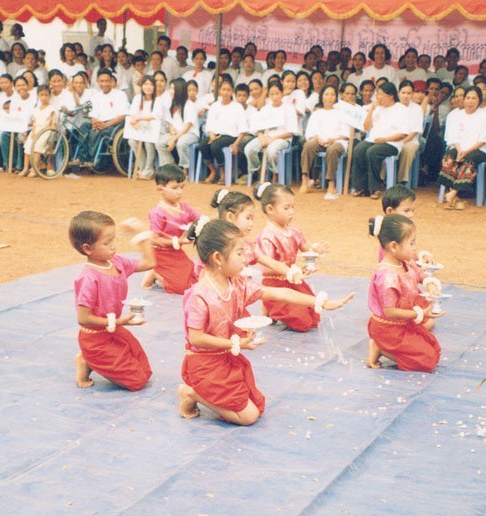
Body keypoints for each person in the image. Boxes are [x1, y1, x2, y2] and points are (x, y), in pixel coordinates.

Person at [177, 219, 352, 425]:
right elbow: (196, 338)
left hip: (225, 358)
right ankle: (192, 394)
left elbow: (278, 293)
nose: (245, 259)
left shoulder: (237, 283)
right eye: (240, 253)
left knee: (257, 406)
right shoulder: (200, 295)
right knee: (249, 417)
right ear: (218, 258)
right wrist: (234, 344)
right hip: (204, 363)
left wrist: (321, 302)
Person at [69, 211, 156, 391]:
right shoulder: (88, 278)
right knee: (136, 382)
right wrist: (117, 321)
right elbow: (83, 318)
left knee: (145, 372)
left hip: (113, 331)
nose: (113, 246)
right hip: (94, 338)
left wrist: (141, 234)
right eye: (107, 243)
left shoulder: (116, 262)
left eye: (113, 240)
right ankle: (87, 359)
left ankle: (91, 362)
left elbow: (149, 263)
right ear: (87, 248)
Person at [366, 214, 441, 372]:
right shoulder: (388, 277)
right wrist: (419, 313)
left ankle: (387, 348)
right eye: (412, 243)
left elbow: (421, 275)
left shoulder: (405, 262)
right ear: (393, 246)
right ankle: (381, 347)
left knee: (433, 349)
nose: (415, 247)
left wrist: (430, 285)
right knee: (427, 361)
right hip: (389, 329)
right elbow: (390, 312)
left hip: (403, 322)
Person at [254, 183, 330, 332]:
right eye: (286, 208)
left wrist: (316, 251)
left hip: (293, 281)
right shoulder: (267, 236)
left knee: (313, 317)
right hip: (275, 284)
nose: (291, 212)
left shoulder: (294, 230)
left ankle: (273, 309)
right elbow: (267, 268)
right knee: (302, 322)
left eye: (292, 207)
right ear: (270, 209)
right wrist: (289, 270)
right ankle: (269, 304)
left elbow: (307, 249)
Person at [143, 164, 201, 294]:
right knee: (181, 288)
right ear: (160, 189)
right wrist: (179, 241)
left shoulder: (185, 207)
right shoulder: (157, 213)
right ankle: (154, 272)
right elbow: (155, 240)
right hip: (160, 254)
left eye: (182, 187)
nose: (179, 191)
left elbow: (200, 220)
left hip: (175, 252)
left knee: (195, 280)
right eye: (174, 188)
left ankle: (161, 273)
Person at [351, 82, 408, 198]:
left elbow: (403, 134)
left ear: (390, 95)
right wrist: (372, 109)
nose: (377, 97)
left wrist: (384, 139)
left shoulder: (401, 109)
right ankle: (361, 187)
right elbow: (366, 128)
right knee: (358, 149)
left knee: (372, 152)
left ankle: (375, 187)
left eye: (380, 95)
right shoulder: (378, 108)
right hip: (374, 140)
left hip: (392, 143)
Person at [438, 86, 486, 209]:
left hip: (478, 149)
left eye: (474, 98)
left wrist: (466, 151)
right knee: (449, 157)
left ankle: (453, 193)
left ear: (479, 100)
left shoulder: (485, 116)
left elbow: (483, 140)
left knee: (470, 159)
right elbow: (453, 136)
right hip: (458, 148)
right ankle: (455, 197)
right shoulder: (455, 115)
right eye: (468, 97)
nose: (470, 101)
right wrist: (459, 149)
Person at [299, 85, 349, 199]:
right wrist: (317, 139)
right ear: (322, 97)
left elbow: (346, 134)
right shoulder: (317, 113)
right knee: (308, 145)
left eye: (332, 94)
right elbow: (310, 132)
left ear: (336, 97)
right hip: (320, 141)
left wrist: (333, 140)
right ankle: (304, 179)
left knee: (332, 150)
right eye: (326, 94)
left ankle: (331, 184)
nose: (329, 97)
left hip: (337, 142)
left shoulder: (341, 113)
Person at [244, 80, 298, 184]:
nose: (274, 97)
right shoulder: (265, 109)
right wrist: (261, 137)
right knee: (249, 149)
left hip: (282, 138)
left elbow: (291, 132)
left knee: (272, 150)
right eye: (272, 94)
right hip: (265, 137)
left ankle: (275, 174)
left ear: (282, 93)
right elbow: (257, 127)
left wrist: (272, 139)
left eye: (277, 93)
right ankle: (260, 173)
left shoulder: (289, 109)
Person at [200, 78, 246, 184]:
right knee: (203, 144)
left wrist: (236, 144)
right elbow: (209, 124)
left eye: (228, 90)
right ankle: (213, 171)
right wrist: (211, 135)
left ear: (232, 92)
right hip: (215, 135)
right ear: (220, 91)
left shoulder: (237, 107)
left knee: (215, 146)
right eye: (223, 89)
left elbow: (243, 129)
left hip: (230, 135)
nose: (226, 92)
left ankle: (224, 172)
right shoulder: (215, 106)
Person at [82, 68, 128, 168]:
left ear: (111, 81)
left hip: (115, 124)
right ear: (98, 82)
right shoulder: (96, 96)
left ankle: (93, 158)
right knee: (83, 127)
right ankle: (83, 157)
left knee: (99, 133)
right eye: (101, 81)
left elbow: (123, 115)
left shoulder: (120, 94)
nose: (104, 84)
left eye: (107, 81)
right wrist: (95, 123)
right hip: (99, 122)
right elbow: (93, 114)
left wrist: (106, 125)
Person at [156, 78, 198, 177]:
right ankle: (169, 166)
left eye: (173, 88)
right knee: (159, 143)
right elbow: (170, 123)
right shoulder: (171, 104)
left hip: (190, 133)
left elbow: (188, 126)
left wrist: (174, 138)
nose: (170, 91)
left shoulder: (189, 105)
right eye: (170, 88)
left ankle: (185, 168)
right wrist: (172, 135)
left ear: (180, 90)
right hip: (175, 133)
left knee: (181, 143)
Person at [127, 75, 160, 180]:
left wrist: (139, 119)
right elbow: (132, 113)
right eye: (145, 84)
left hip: (152, 129)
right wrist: (135, 121)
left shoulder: (158, 100)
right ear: (142, 86)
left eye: (151, 84)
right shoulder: (137, 98)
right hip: (139, 128)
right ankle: (142, 168)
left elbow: (154, 116)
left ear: (154, 87)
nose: (148, 87)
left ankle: (149, 170)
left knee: (148, 142)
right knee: (132, 141)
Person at [24, 85, 57, 178]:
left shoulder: (51, 109)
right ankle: (25, 168)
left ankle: (35, 169)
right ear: (38, 96)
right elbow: (34, 123)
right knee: (28, 145)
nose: (44, 97)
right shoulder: (36, 109)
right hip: (36, 130)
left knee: (37, 146)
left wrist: (43, 130)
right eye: (42, 95)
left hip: (46, 131)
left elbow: (52, 123)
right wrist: (34, 132)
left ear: (49, 96)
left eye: (46, 95)